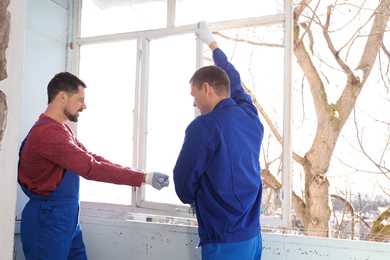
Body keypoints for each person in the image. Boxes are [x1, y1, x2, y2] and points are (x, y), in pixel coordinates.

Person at [18, 72, 169, 260]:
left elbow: (91, 157)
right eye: (80, 100)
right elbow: (90, 167)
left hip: (66, 218)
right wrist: (142, 178)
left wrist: (141, 174)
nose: (84, 106)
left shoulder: (61, 129)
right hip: (48, 220)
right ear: (62, 97)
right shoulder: (47, 133)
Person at [173, 22, 264, 260]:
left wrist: (200, 196)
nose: (194, 103)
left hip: (224, 240)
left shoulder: (203, 126)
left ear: (206, 89)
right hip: (253, 238)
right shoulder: (250, 115)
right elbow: (233, 79)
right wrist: (213, 45)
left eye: (194, 95)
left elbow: (183, 185)